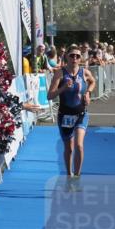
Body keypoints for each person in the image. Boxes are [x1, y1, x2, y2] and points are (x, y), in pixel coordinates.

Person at [47, 47, 94, 178]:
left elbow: (93, 82)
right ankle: (69, 174)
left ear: (81, 59)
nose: (74, 59)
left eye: (77, 56)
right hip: (65, 116)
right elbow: (49, 96)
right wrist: (63, 88)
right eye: (72, 56)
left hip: (81, 114)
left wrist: (89, 92)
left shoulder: (84, 72)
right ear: (67, 57)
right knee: (69, 149)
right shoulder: (60, 74)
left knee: (79, 145)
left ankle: (77, 177)